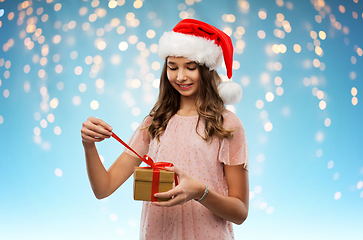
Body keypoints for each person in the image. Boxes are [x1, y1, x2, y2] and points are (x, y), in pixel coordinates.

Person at [81, 19, 249, 240]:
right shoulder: (154, 123)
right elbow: (104, 188)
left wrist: (200, 192)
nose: (180, 76)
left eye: (190, 67)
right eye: (173, 67)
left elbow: (240, 212)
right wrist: (88, 144)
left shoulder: (227, 125)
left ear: (207, 70)